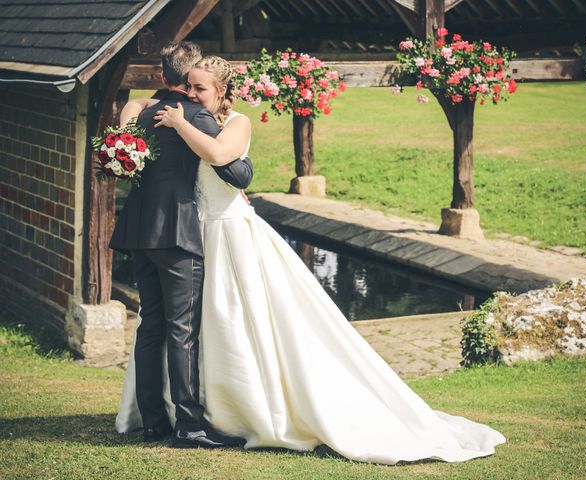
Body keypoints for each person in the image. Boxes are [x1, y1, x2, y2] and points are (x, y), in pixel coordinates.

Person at [116, 55, 506, 464]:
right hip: (198, 231)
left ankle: (235, 412)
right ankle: (199, 414)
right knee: (202, 325)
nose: (191, 94)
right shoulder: (191, 117)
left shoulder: (232, 123)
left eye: (200, 88)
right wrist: (139, 108)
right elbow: (176, 152)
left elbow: (223, 161)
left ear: (222, 91)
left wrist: (179, 123)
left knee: (241, 321)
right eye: (189, 87)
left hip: (230, 232)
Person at [110, 42, 252, 449]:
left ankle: (154, 421)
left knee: (150, 325)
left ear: (162, 75)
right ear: (188, 76)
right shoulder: (196, 116)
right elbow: (234, 170)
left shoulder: (140, 113)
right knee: (182, 330)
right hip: (176, 233)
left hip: (138, 230)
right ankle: (189, 424)